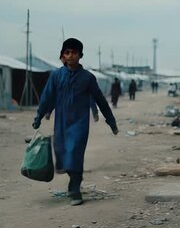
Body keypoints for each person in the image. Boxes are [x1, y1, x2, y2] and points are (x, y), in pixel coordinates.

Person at [32, 38, 118, 206]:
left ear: (80, 55)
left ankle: (75, 188)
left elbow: (99, 99)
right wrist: (39, 116)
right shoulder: (56, 76)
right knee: (62, 153)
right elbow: (47, 96)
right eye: (67, 52)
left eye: (74, 53)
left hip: (79, 123)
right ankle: (74, 180)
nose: (70, 56)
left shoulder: (88, 78)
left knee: (74, 152)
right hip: (61, 122)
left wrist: (111, 120)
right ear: (63, 55)